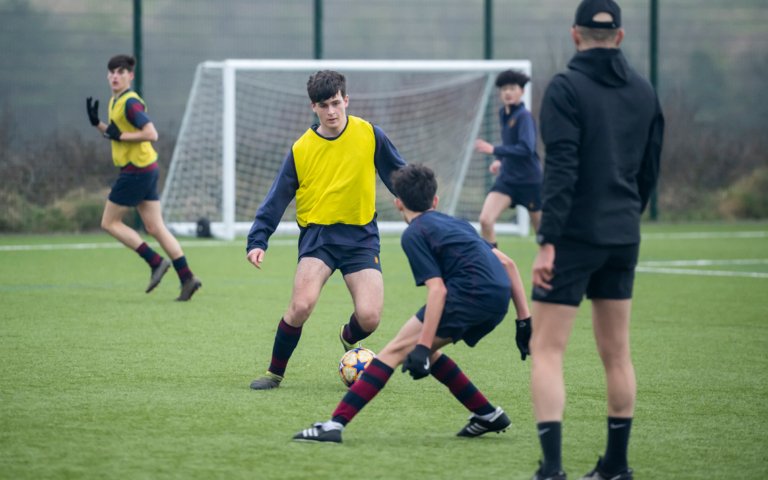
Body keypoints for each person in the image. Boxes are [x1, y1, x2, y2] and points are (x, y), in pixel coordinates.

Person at [292, 164, 533, 443]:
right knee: (429, 353)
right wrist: (524, 320)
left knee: (393, 351)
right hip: (498, 297)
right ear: (435, 201)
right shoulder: (456, 223)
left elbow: (437, 291)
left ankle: (334, 425)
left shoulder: (415, 233)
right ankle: (488, 414)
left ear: (398, 203)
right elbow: (508, 264)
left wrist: (419, 346)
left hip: (468, 295)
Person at [528, 1, 664, 479]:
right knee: (617, 353)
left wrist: (548, 241)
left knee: (547, 350)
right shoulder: (645, 92)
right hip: (623, 235)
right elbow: (649, 172)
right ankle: (617, 467)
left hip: (572, 237)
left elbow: (561, 169)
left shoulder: (565, 88)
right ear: (620, 38)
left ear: (575, 35)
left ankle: (553, 470)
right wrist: (626, 214)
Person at [246, 70, 407, 390]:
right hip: (318, 238)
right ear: (313, 107)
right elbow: (277, 197)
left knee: (370, 317)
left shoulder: (370, 134)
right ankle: (274, 373)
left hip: (361, 238)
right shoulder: (301, 149)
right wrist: (258, 239)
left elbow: (398, 174)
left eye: (336, 103)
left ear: (346, 100)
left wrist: (415, 206)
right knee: (301, 306)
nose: (331, 111)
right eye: (324, 105)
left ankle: (348, 338)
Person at [86, 54, 201, 301]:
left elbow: (151, 133)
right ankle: (187, 277)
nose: (115, 76)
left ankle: (155, 261)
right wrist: (98, 124)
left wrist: (118, 136)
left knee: (109, 223)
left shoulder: (130, 103)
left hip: (135, 171)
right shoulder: (116, 101)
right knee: (154, 227)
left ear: (130, 76)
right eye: (111, 72)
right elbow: (119, 133)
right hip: (146, 168)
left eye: (120, 72)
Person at [474, 69, 542, 244]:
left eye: (512, 88)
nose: (508, 93)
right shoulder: (503, 114)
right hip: (508, 180)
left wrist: (495, 150)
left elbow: (526, 149)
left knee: (543, 236)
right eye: (504, 89)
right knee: (485, 221)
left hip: (530, 181)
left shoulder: (524, 116)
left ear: (522, 91)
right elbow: (510, 144)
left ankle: (554, 269)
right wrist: (500, 161)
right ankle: (495, 268)